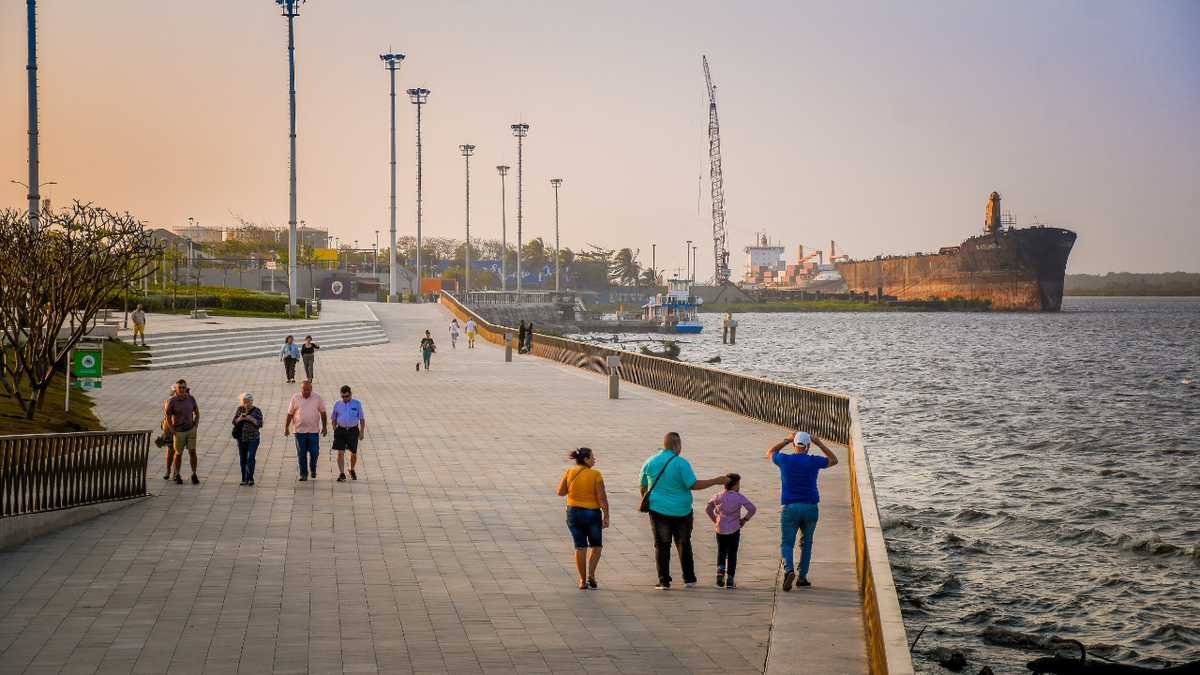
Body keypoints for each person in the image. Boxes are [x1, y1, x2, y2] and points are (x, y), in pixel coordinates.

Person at [638, 432, 729, 589]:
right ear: (676, 445)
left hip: (658, 510)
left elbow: (643, 484)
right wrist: (716, 481)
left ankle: (664, 581)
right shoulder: (681, 463)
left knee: (662, 545)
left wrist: (650, 500)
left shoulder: (650, 461)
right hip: (682, 511)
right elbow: (692, 485)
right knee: (684, 543)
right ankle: (689, 579)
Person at [767, 431, 839, 590]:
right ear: (808, 446)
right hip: (810, 507)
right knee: (807, 543)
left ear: (795, 445)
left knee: (787, 543)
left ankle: (789, 569)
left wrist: (786, 439)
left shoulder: (785, 460)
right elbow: (834, 460)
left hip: (790, 507)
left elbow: (770, 452)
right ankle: (802, 577)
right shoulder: (814, 461)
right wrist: (819, 443)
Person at [556, 447, 610, 590]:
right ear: (586, 460)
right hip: (592, 513)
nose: (594, 459)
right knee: (596, 546)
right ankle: (591, 575)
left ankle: (582, 580)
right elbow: (602, 497)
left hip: (573, 512)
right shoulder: (596, 475)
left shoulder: (569, 472)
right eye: (592, 457)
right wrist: (606, 516)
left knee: (580, 547)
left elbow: (560, 492)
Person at [705, 473, 757, 589]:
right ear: (735, 485)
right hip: (734, 529)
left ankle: (719, 577)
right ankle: (730, 579)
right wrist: (744, 520)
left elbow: (708, 509)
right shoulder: (739, 497)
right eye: (738, 484)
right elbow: (752, 509)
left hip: (720, 530)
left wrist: (716, 520)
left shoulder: (717, 496)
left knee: (721, 552)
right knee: (732, 553)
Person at [285, 380, 328, 481]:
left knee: (315, 452)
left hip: (313, 431)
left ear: (311, 389)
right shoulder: (295, 398)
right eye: (304, 390)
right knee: (302, 453)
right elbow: (290, 413)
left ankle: (313, 468)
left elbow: (323, 412)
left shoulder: (317, 398)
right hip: (299, 431)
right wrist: (286, 427)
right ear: (301, 389)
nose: (306, 392)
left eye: (308, 390)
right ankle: (303, 474)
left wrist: (325, 427)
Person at [163, 379, 201, 485]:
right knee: (178, 453)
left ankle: (194, 474)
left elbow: (197, 413)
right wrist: (172, 429)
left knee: (192, 452)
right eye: (179, 387)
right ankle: (177, 474)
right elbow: (168, 416)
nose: (182, 389)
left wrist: (195, 426)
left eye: (184, 387)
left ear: (186, 388)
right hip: (178, 431)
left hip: (190, 430)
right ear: (176, 389)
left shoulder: (191, 398)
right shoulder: (172, 401)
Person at [331, 385, 366, 482]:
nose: (345, 398)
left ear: (351, 394)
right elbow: (333, 418)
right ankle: (342, 473)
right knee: (340, 453)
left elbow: (362, 418)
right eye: (343, 396)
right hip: (341, 430)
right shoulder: (337, 404)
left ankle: (351, 469)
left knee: (353, 453)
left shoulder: (357, 404)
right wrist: (335, 429)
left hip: (353, 430)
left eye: (347, 396)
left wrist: (362, 431)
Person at [232, 392, 263, 486]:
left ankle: (250, 478)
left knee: (251, 457)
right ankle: (244, 478)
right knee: (243, 459)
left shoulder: (257, 410)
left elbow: (260, 424)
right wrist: (240, 418)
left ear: (252, 401)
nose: (247, 404)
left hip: (253, 438)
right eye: (245, 401)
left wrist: (251, 418)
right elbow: (234, 422)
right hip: (241, 438)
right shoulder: (240, 409)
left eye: (248, 401)